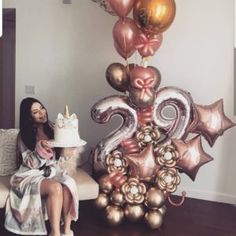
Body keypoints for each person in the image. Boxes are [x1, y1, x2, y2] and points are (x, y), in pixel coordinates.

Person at [4, 97, 78, 236]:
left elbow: (61, 157)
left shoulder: (53, 127)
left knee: (69, 184)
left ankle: (66, 230)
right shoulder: (23, 135)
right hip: (29, 175)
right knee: (55, 188)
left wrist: (69, 149)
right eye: (35, 112)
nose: (42, 113)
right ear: (29, 117)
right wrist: (40, 150)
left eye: (42, 108)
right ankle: (54, 233)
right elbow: (30, 163)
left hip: (51, 172)